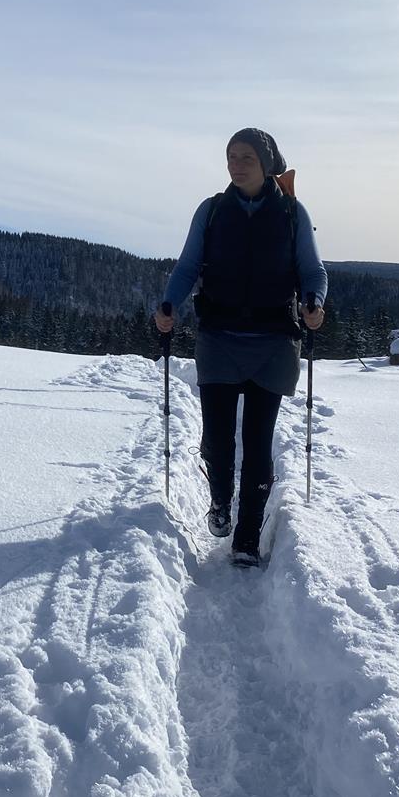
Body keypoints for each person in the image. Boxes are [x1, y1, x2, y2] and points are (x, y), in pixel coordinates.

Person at [154, 127, 327, 567]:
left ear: (267, 161)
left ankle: (247, 536)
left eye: (247, 155)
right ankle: (219, 505)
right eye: (232, 155)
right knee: (216, 437)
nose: (237, 163)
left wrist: (314, 303)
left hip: (272, 342)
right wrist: (169, 303)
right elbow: (189, 263)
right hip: (218, 338)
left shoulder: (291, 212)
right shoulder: (212, 211)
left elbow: (313, 269)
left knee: (257, 440)